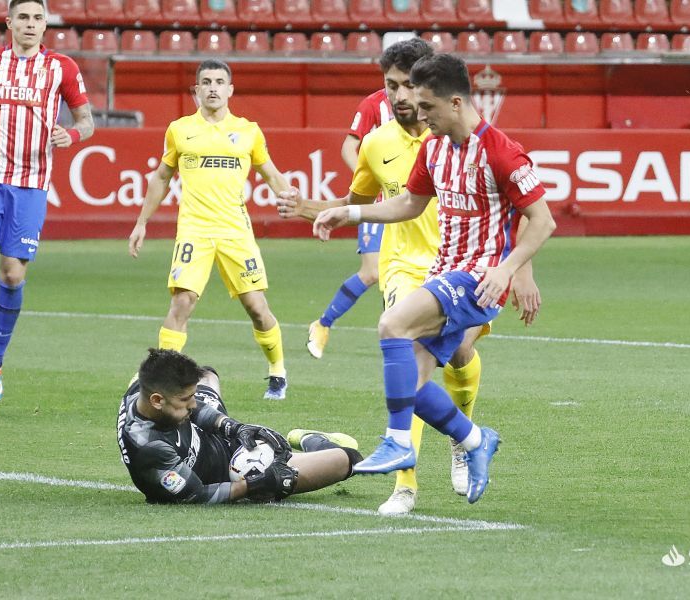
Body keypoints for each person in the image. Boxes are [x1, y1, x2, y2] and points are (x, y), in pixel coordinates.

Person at [313, 54, 556, 504]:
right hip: (444, 272)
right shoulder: (434, 147)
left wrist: (510, 268)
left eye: (427, 107)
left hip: (479, 278)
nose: (418, 115)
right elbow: (408, 204)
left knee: (390, 326)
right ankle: (475, 440)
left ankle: (397, 442)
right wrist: (348, 212)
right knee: (414, 385)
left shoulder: (502, 151)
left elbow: (542, 221)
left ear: (456, 102)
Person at [0, 0, 94, 405]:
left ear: (46, 25)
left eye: (37, 18)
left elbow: (86, 121)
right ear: (9, 22)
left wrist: (71, 136)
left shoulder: (62, 68)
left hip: (30, 185)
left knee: (11, 276)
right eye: (22, 17)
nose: (30, 24)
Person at [128, 59, 295, 400]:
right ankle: (160, 378)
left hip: (235, 231)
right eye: (207, 82)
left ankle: (277, 370)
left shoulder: (249, 131)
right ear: (197, 90)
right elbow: (161, 177)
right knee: (182, 303)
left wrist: (295, 202)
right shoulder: (180, 130)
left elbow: (272, 175)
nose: (214, 87)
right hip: (194, 230)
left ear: (230, 90)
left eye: (220, 81)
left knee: (257, 308)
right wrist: (142, 222)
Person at [118, 348, 363, 505]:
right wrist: (257, 484)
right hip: (234, 468)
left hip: (213, 438)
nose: (194, 404)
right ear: (157, 401)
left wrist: (233, 428)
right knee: (351, 459)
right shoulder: (149, 447)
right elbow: (197, 494)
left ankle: (298, 446)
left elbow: (195, 407)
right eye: (185, 400)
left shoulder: (142, 390)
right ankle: (314, 441)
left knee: (207, 375)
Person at [304, 64, 394, 359]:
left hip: (411, 203)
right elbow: (348, 147)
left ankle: (398, 336)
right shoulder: (373, 104)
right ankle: (322, 323)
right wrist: (369, 177)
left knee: (399, 273)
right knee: (371, 272)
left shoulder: (425, 104)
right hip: (376, 201)